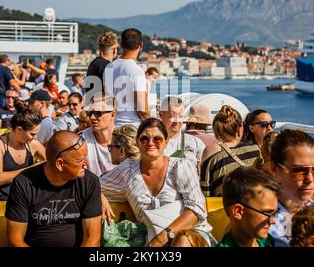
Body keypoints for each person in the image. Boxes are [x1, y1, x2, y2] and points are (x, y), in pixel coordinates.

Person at [101, 118, 215, 247]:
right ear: (137, 142)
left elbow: (196, 210)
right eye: (144, 138)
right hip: (152, 240)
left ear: (166, 142)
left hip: (192, 235)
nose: (150, 143)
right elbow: (90, 185)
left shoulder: (180, 166)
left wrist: (162, 238)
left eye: (157, 139)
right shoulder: (127, 171)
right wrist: (100, 197)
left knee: (181, 241)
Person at [5, 131, 102, 247]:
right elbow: (16, 240)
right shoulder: (24, 183)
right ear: (60, 164)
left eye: (85, 157)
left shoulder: (90, 182)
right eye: (79, 160)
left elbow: (92, 238)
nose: (85, 164)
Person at [0, 108, 46, 222]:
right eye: (32, 134)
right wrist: (31, 170)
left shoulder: (33, 144)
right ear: (18, 130)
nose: (35, 137)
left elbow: (50, 163)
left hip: (26, 202)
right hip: (1, 203)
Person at [200, 105, 260, 197]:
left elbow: (205, 189)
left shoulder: (211, 151)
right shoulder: (255, 150)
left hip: (223, 206)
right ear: (239, 129)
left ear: (216, 131)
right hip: (252, 202)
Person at [217, 167, 280, 247]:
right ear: (238, 211)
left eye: (275, 213)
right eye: (267, 213)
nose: (273, 221)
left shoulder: (267, 242)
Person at [103, 28, 149, 126]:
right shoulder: (137, 71)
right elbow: (142, 109)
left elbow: (107, 99)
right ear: (141, 45)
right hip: (133, 126)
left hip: (112, 125)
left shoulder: (109, 67)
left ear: (121, 45)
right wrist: (150, 124)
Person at [158, 97, 205, 167]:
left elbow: (201, 173)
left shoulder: (196, 143)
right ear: (161, 115)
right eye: (172, 116)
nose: (177, 121)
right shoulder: (152, 144)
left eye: (180, 116)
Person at [79, 95, 116, 177]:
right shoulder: (81, 139)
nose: (92, 117)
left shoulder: (125, 139)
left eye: (98, 113)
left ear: (112, 115)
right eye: (89, 113)